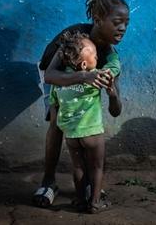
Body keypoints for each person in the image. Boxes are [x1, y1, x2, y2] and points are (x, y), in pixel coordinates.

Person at [32, 0, 129, 208]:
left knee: (87, 127)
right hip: (54, 70)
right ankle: (49, 182)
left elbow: (115, 110)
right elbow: (50, 74)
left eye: (126, 23)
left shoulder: (109, 58)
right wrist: (84, 76)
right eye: (117, 22)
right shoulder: (73, 39)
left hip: (80, 75)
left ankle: (89, 185)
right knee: (57, 122)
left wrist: (112, 93)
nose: (122, 28)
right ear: (97, 20)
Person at [49, 31, 121, 213]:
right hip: (92, 132)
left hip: (72, 134)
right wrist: (110, 51)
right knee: (97, 167)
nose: (98, 57)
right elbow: (115, 66)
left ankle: (80, 200)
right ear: (83, 64)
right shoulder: (95, 76)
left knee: (78, 167)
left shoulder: (59, 83)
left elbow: (54, 103)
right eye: (96, 55)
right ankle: (96, 202)